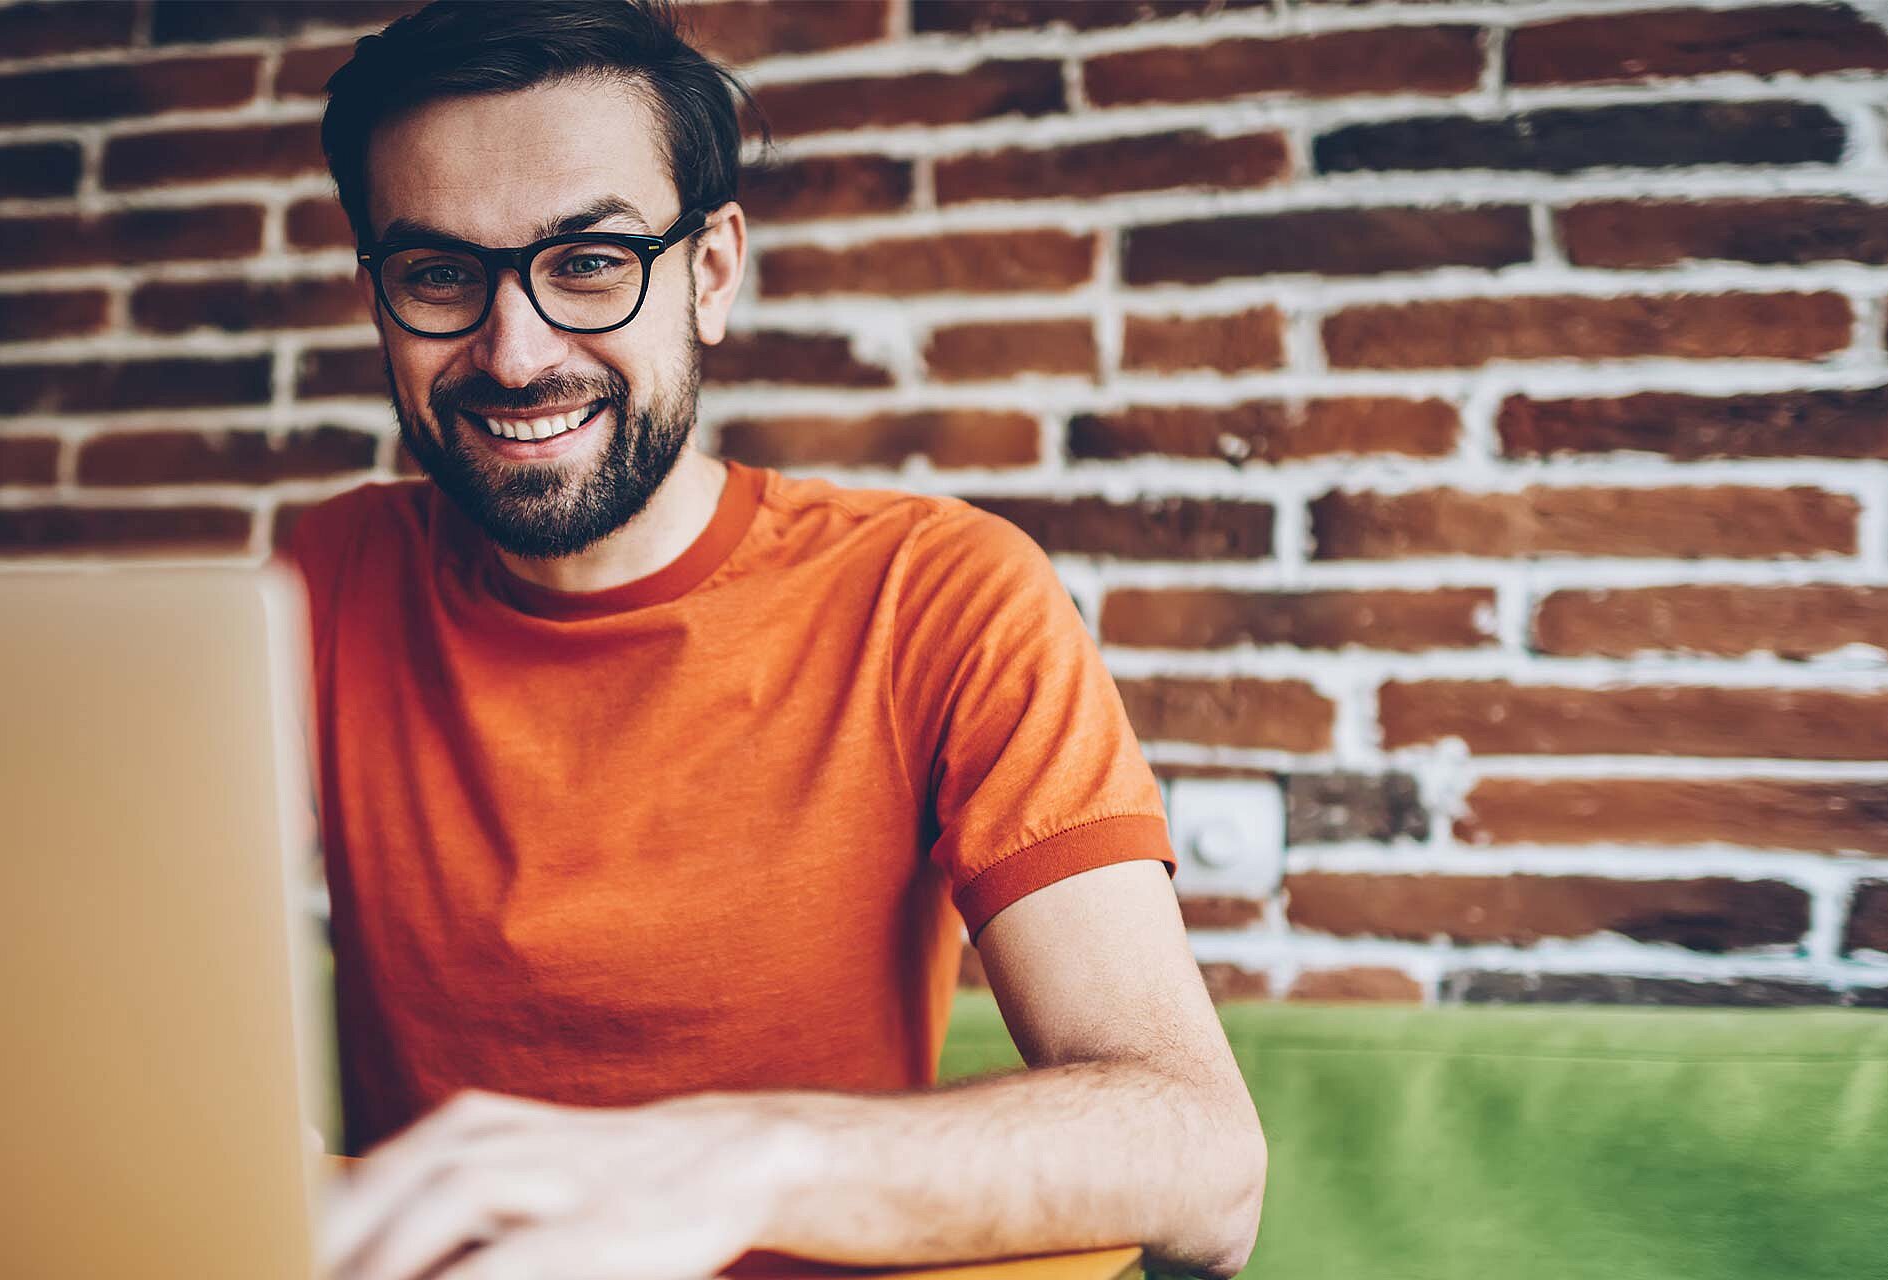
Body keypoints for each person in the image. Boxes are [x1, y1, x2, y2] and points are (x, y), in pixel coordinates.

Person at [288, 3, 1264, 1277]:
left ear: (710, 272)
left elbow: (1203, 1161)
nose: (514, 351)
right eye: (437, 274)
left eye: (588, 262)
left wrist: (735, 1159)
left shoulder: (939, 591)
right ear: (379, 300)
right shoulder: (313, 583)